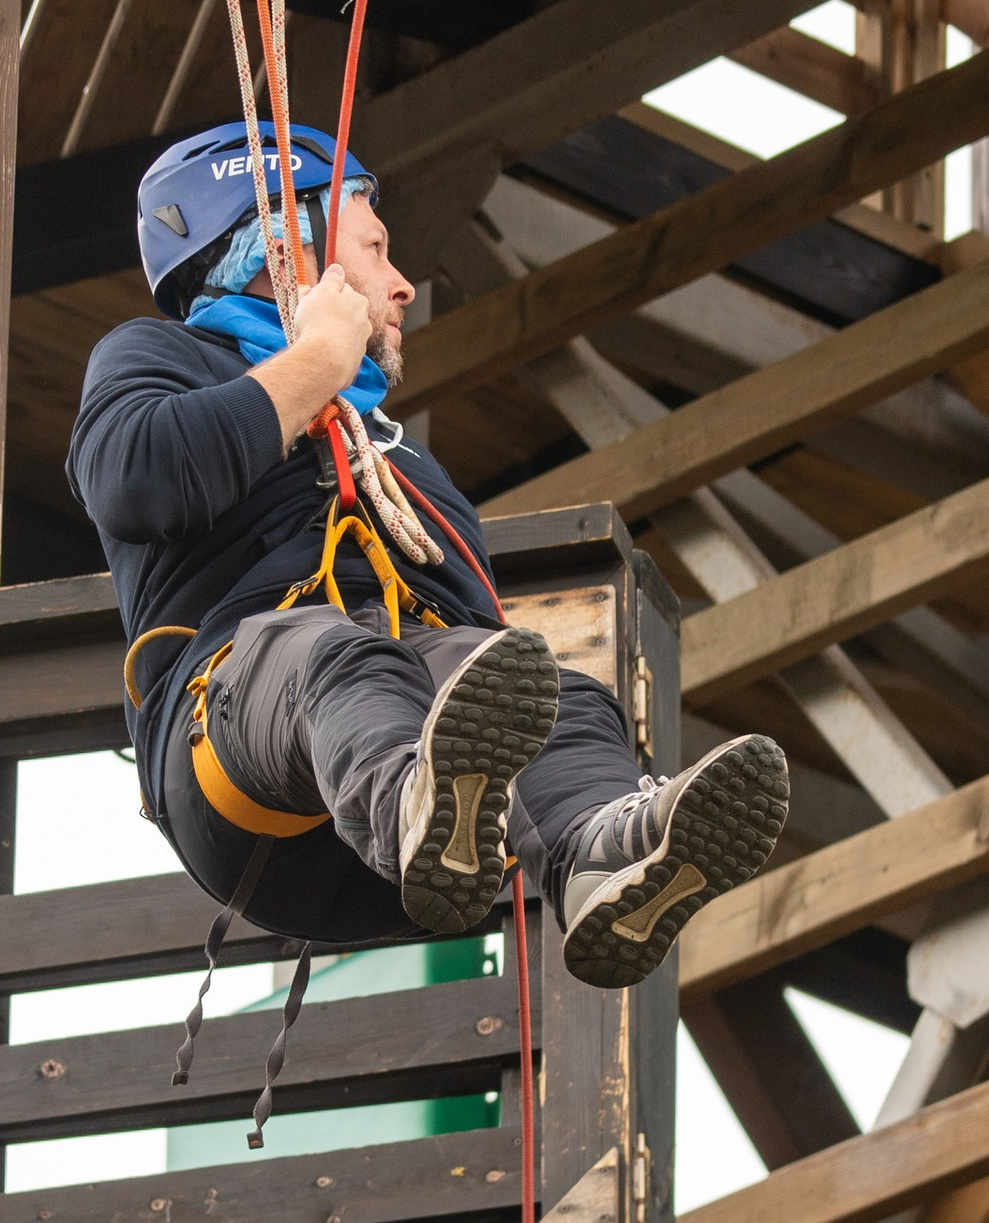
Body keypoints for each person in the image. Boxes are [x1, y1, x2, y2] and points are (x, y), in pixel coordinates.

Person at [66, 121, 789, 981]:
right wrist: (318, 362)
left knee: (556, 695)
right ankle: (416, 800)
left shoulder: (403, 459)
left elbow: (480, 664)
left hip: (401, 856)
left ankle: (601, 854)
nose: (404, 286)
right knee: (321, 650)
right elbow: (133, 478)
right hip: (239, 758)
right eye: (376, 249)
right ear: (287, 248)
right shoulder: (159, 358)